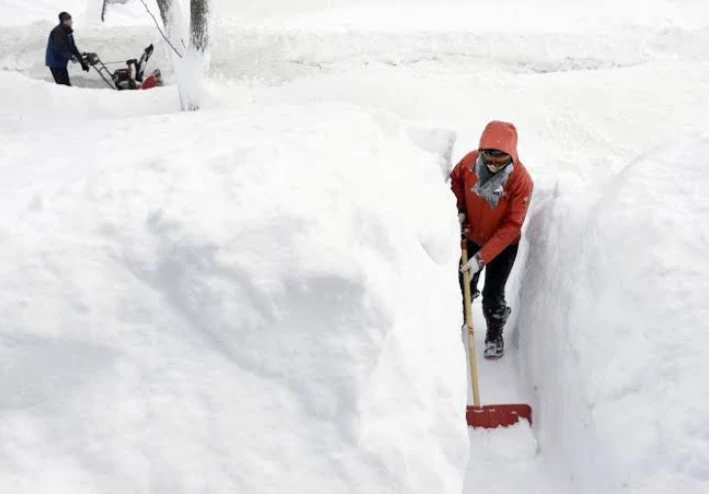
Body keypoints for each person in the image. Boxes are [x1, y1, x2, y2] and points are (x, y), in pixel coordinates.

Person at [450, 121, 534, 359]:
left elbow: (512, 226)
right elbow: (455, 181)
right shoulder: (469, 164)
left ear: (511, 155)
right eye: (488, 158)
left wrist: (482, 258)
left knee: (493, 293)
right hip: (472, 233)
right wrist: (460, 209)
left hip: (503, 245)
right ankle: (461, 319)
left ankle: (494, 332)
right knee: (463, 282)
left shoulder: (521, 181)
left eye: (500, 160)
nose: (493, 165)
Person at [45, 12, 89, 86]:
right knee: (64, 86)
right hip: (55, 62)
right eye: (69, 19)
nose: (72, 21)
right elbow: (61, 49)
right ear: (64, 21)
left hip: (61, 63)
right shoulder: (57, 32)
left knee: (66, 86)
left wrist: (82, 62)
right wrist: (72, 57)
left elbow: (73, 48)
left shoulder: (68, 31)